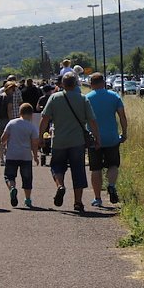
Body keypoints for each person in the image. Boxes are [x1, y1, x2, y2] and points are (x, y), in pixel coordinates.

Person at [39, 71, 100, 213]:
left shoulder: (54, 98)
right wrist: (97, 138)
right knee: (78, 170)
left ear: (62, 84)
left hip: (59, 141)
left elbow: (45, 119)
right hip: (77, 141)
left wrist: (40, 137)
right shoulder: (83, 99)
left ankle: (60, 186)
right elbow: (92, 121)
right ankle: (78, 202)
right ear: (76, 84)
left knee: (57, 166)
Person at [85, 72, 128, 207]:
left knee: (96, 168)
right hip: (112, 137)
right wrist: (124, 133)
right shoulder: (114, 96)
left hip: (94, 139)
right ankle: (111, 185)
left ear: (91, 84)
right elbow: (122, 117)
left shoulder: (87, 98)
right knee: (113, 165)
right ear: (103, 83)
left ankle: (97, 198)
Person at [0, 102, 40, 208]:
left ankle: (12, 188)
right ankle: (27, 199)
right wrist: (35, 156)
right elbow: (35, 143)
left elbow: (3, 138)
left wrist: (4, 145)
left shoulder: (12, 123)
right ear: (31, 115)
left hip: (12, 154)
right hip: (26, 156)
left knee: (9, 176)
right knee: (27, 178)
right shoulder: (32, 127)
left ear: (19, 112)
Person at [0, 80, 22, 166]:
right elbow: (9, 110)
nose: (13, 91)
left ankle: (1, 160)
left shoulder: (0, 96)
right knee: (10, 140)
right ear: (9, 89)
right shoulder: (9, 97)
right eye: (12, 89)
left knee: (0, 141)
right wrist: (11, 122)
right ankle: (8, 158)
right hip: (7, 120)